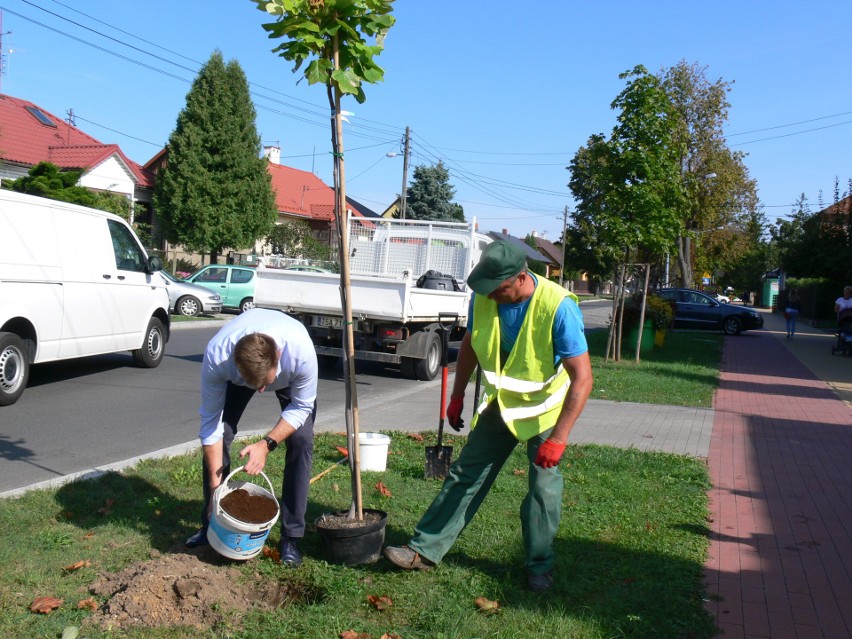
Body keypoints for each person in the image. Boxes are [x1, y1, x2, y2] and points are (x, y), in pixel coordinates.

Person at [383, 241, 593, 592]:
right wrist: (457, 394)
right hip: (503, 405)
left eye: (499, 289)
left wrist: (558, 438)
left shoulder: (558, 308)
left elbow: (583, 379)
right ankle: (423, 551)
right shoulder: (485, 296)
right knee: (465, 475)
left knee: (543, 489)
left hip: (545, 412)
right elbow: (470, 344)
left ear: (522, 278)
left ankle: (539, 567)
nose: (491, 296)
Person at [185, 308, 318, 567]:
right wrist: (216, 494)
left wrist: (267, 444)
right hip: (241, 376)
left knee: (301, 440)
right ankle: (211, 523)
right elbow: (210, 426)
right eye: (255, 385)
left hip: (289, 378)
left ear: (278, 355)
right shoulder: (218, 355)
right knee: (222, 434)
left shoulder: (300, 351)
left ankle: (291, 537)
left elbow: (302, 407)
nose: (261, 391)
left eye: (266, 383)